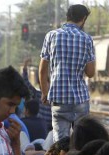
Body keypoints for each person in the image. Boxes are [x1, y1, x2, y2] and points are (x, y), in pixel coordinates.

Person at [39, 4, 95, 141]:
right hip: (80, 100)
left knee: (60, 146)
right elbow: (90, 73)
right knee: (81, 143)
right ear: (83, 18)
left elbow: (42, 70)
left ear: (68, 17)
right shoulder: (87, 39)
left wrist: (45, 92)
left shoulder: (51, 36)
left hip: (58, 99)